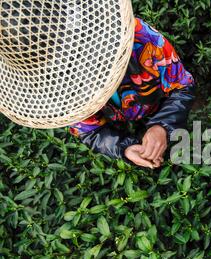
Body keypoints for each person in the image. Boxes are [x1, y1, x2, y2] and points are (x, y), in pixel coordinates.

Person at [70, 18, 195, 169]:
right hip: (115, 121)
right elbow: (88, 129)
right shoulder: (63, 87)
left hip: (155, 102)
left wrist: (162, 125)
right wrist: (125, 148)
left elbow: (182, 86)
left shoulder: (144, 39)